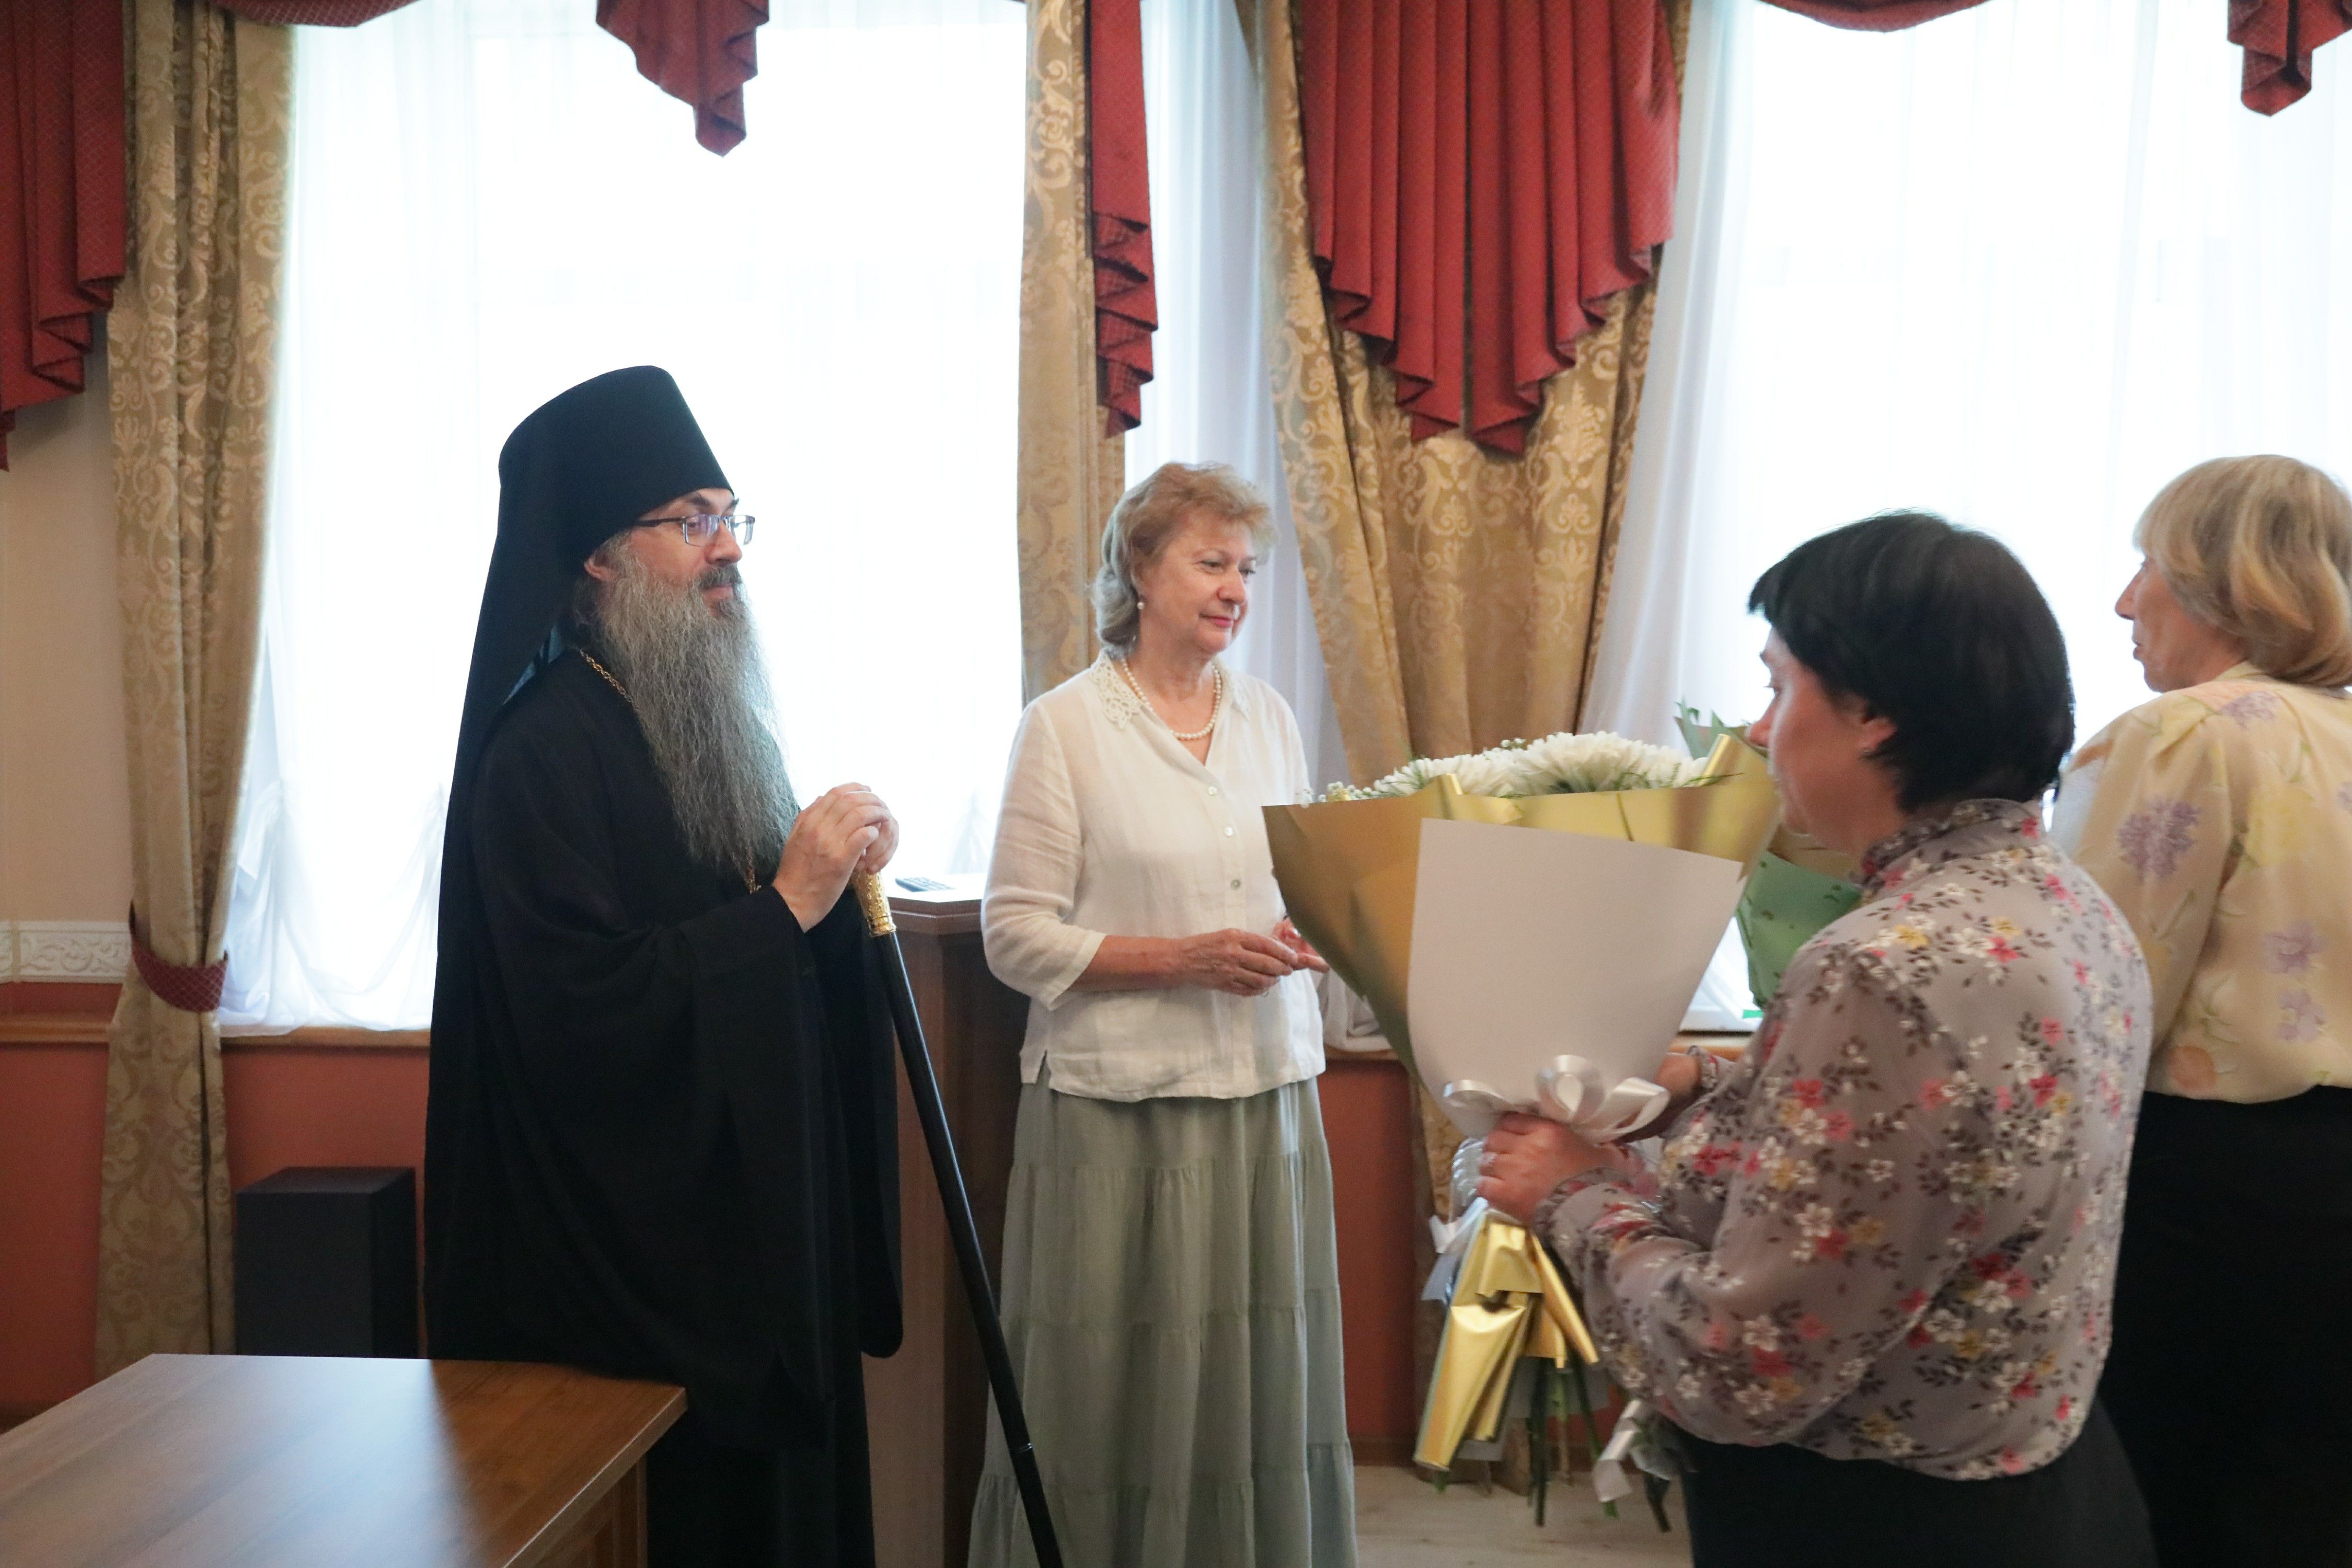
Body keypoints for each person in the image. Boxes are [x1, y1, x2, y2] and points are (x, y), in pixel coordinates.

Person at [1477, 514, 2156, 1568]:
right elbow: (1943, 1137)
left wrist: (1573, 1193)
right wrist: (1702, 1078)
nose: (1758, 731)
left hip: (1879, 1520)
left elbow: (1741, 1365)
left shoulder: (1882, 967)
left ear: (1875, 714)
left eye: (1778, 686)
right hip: (2044, 1483)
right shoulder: (2065, 904)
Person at [424, 366, 904, 1567]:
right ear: (598, 556)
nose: (727, 550)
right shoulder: (539, 753)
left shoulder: (698, 720)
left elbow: (762, 928)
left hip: (755, 1239)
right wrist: (789, 906)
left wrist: (835, 901)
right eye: (692, 523)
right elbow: (578, 1014)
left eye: (732, 519)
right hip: (639, 1281)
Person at [969, 463, 1357, 1568]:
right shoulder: (1063, 728)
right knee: (1107, 1393)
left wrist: (1309, 937)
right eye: (1211, 562)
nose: (1236, 588)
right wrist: (1181, 960)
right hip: (1118, 1108)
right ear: (1139, 570)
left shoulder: (1269, 717)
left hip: (1266, 1094)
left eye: (1247, 568)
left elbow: (1286, 889)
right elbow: (1014, 937)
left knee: (1256, 1388)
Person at [2053, 456, 2352, 1568]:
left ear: (2221, 583)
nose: (2126, 601)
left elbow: (2095, 995)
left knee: (2175, 1504)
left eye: (2148, 566)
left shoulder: (2184, 734)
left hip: (2212, 1191)